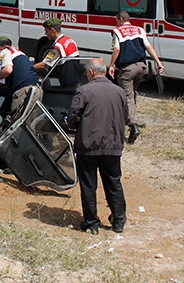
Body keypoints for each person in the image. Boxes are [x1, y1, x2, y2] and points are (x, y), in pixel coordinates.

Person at [66, 58, 129, 235]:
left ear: (91, 72)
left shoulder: (83, 91)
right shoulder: (119, 92)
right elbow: (125, 116)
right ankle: (118, 221)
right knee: (113, 182)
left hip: (88, 146)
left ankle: (91, 222)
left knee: (88, 185)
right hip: (113, 145)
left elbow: (72, 119)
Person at [108, 10, 165, 144]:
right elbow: (149, 47)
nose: (116, 22)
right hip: (141, 67)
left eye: (117, 20)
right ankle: (129, 117)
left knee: (127, 97)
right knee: (132, 95)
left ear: (121, 20)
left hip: (127, 69)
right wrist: (159, 62)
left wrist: (111, 65)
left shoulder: (117, 31)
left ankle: (133, 126)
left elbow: (116, 49)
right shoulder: (139, 30)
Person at [0, 36, 42, 117]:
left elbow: (8, 70)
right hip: (36, 89)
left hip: (24, 91)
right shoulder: (19, 53)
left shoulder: (5, 51)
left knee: (17, 121)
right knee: (30, 123)